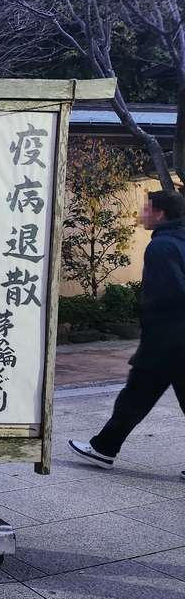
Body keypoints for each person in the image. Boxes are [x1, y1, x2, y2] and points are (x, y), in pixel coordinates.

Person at [69, 189, 185, 480]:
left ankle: (104, 449)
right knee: (135, 397)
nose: (141, 214)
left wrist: (143, 310)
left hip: (167, 342)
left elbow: (168, 294)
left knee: (134, 398)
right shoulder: (179, 240)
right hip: (174, 341)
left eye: (146, 209)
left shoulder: (161, 247)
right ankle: (104, 448)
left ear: (160, 214)